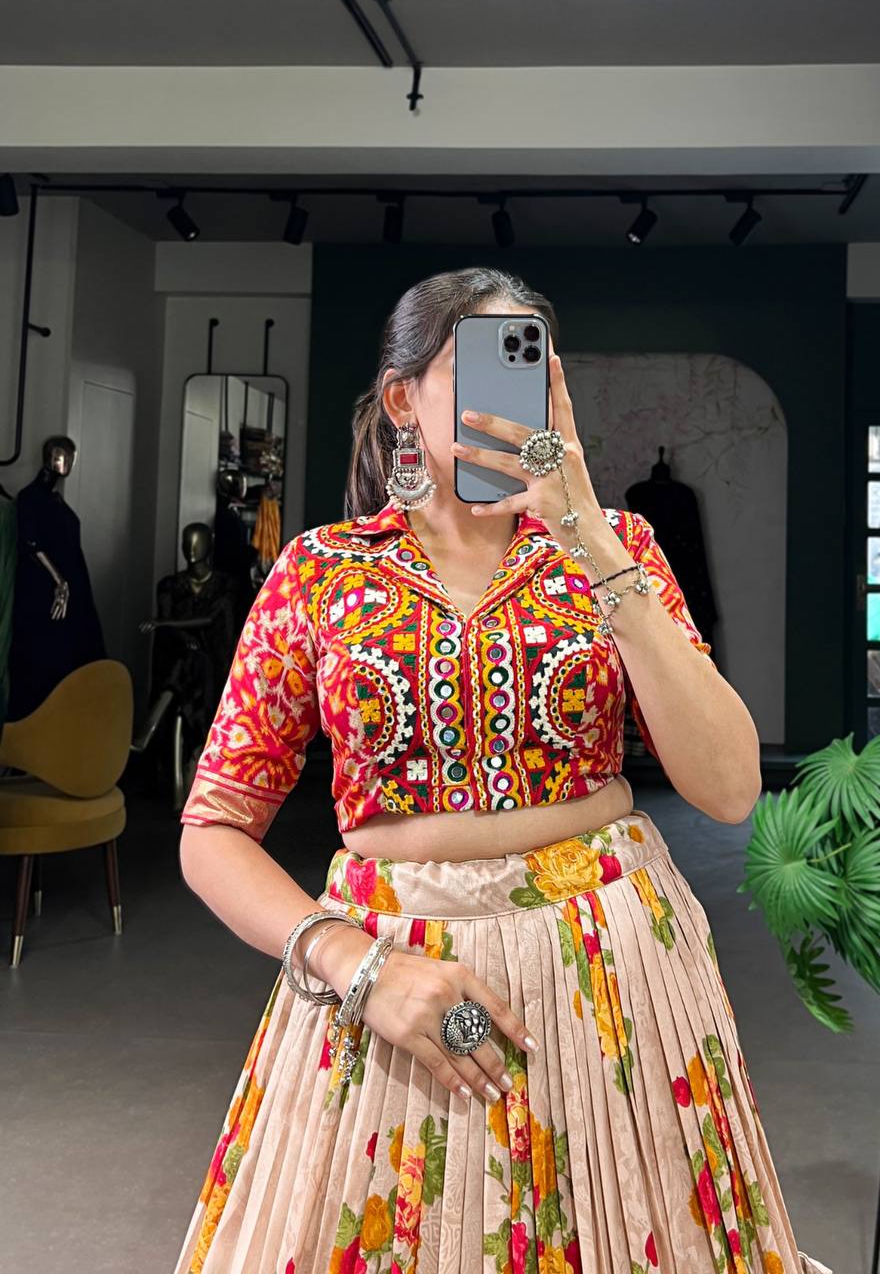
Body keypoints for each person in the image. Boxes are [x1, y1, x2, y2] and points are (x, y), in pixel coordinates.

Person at [172, 268, 833, 1274]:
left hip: (611, 974)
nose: (509, 396)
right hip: (392, 984)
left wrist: (588, 531)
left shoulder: (619, 549)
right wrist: (357, 967)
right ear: (402, 399)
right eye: (480, 364)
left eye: (531, 368)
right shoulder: (319, 572)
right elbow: (214, 828)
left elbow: (731, 785)